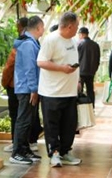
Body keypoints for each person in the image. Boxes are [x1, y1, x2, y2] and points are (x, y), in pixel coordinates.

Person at [37, 11, 83, 167]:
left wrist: (78, 80)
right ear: (70, 26)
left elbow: (73, 60)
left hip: (69, 92)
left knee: (69, 125)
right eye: (77, 25)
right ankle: (54, 153)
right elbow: (41, 62)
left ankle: (65, 152)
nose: (78, 28)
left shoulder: (73, 41)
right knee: (52, 125)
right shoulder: (51, 40)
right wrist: (62, 68)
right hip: (52, 92)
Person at [2, 17, 42, 153]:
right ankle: (19, 151)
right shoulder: (28, 44)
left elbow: (12, 66)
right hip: (25, 88)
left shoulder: (29, 43)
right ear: (37, 28)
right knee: (23, 119)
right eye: (42, 27)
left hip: (22, 86)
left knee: (25, 119)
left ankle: (23, 149)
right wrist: (33, 88)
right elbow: (29, 68)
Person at [77, 26, 101, 107]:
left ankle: (80, 107)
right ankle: (91, 107)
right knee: (90, 90)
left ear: (81, 34)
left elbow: (76, 58)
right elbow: (98, 59)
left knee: (79, 90)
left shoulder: (79, 44)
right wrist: (94, 69)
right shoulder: (95, 45)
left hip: (81, 71)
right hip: (91, 72)